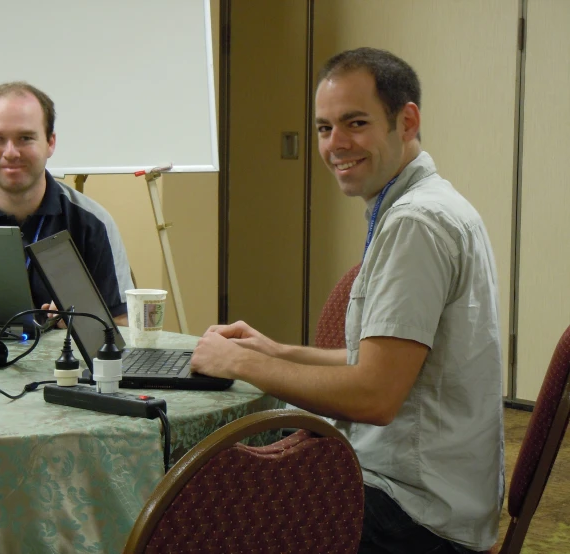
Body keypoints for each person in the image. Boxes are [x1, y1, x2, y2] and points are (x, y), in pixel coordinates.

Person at [190, 48, 504, 553]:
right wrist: (275, 351)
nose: (336, 144)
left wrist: (240, 362)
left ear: (406, 121)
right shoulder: (420, 204)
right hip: (435, 495)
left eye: (354, 123)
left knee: (205, 515)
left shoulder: (415, 224)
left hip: (416, 517)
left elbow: (373, 396)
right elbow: (379, 362)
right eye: (323, 128)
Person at [0, 82, 132, 326]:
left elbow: (123, 324)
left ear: (50, 143)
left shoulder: (93, 224)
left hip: (63, 363)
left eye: (25, 138)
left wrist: (83, 324)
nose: (11, 152)